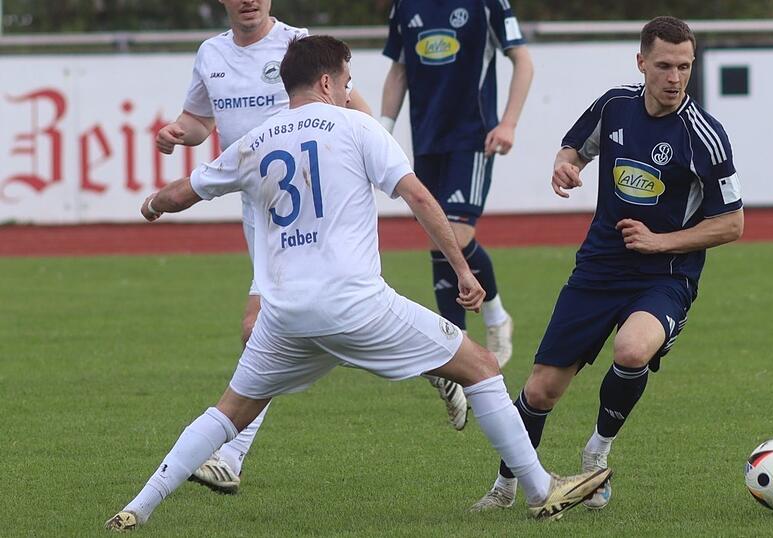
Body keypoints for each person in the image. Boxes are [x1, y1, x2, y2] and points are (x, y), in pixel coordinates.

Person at [105, 35, 610, 532]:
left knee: (228, 412)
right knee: (480, 366)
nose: (350, 90)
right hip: (353, 303)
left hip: (284, 314)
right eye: (348, 80)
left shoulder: (255, 141)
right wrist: (461, 269)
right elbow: (418, 198)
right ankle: (542, 490)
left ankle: (138, 507)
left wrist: (150, 206)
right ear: (327, 81)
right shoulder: (356, 127)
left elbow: (180, 193)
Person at [153, 0, 458, 495]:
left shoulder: (299, 44)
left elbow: (346, 103)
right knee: (315, 320)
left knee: (268, 324)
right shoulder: (210, 54)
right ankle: (436, 359)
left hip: (312, 208)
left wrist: (377, 152)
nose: (249, 1)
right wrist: (177, 133)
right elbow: (199, 122)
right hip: (264, 212)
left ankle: (229, 455)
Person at [470, 16, 745, 512]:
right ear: (641, 62)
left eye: (685, 66)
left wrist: (661, 242)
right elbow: (573, 147)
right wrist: (565, 164)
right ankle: (505, 487)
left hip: (665, 276)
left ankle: (597, 453)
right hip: (598, 267)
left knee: (633, 349)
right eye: (663, 65)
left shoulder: (704, 135)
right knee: (541, 389)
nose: (675, 77)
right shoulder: (615, 105)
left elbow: (732, 224)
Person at [379, 1, 535, 414]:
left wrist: (509, 123)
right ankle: (457, 362)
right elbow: (399, 69)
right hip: (427, 139)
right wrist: (385, 129)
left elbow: (522, 60)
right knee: (438, 241)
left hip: (474, 136)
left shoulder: (487, 4)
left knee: (457, 233)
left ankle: (497, 318)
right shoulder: (405, 6)